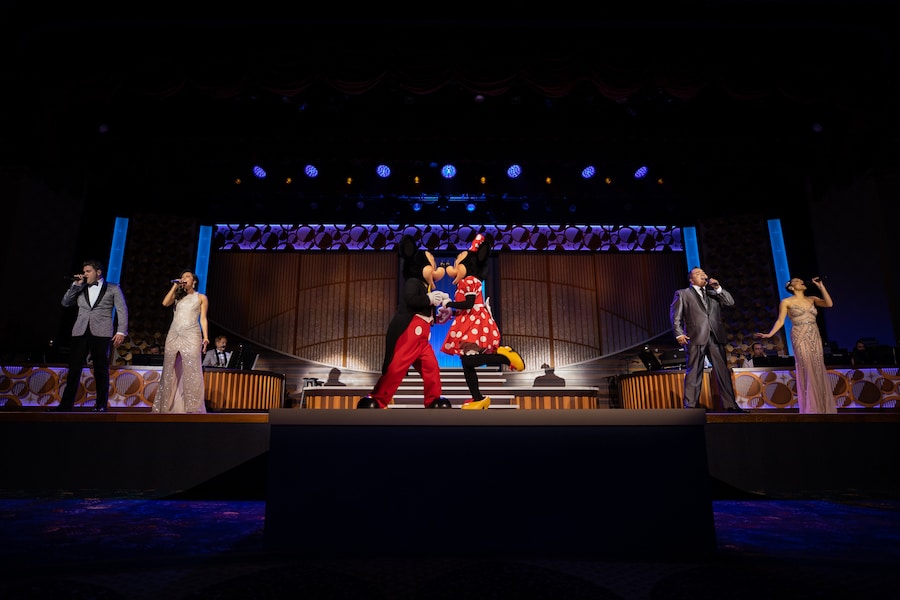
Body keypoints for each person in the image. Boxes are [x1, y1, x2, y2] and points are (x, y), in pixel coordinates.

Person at [356, 235, 452, 409]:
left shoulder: (426, 287)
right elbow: (410, 300)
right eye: (432, 266)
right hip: (409, 334)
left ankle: (433, 399)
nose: (436, 270)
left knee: (432, 368)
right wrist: (429, 298)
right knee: (396, 368)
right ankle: (378, 398)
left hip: (422, 340)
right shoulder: (413, 282)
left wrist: (440, 316)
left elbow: (426, 313)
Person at [440, 233, 525, 409]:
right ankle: (478, 398)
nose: (455, 267)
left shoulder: (470, 281)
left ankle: (504, 356)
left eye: (459, 264)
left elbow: (469, 303)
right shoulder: (464, 283)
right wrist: (451, 314)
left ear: (468, 265)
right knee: (466, 364)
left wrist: (450, 303)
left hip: (476, 324)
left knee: (468, 362)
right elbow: (467, 308)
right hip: (470, 321)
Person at [53, 259, 129, 412]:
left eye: (88, 271)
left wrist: (121, 331)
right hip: (80, 331)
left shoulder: (113, 288)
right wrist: (75, 285)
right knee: (74, 369)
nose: (85, 274)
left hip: (101, 332)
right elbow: (65, 303)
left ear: (98, 272)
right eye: (84, 271)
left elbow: (122, 310)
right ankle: (66, 405)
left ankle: (101, 405)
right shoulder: (80, 287)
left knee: (101, 369)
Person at [670, 266, 744, 413]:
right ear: (691, 280)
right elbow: (675, 316)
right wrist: (678, 333)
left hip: (715, 336)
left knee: (723, 371)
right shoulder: (683, 294)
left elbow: (730, 302)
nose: (703, 275)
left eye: (704, 272)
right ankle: (690, 406)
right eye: (698, 273)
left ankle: (730, 405)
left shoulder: (713, 293)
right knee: (694, 371)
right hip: (695, 337)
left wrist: (718, 288)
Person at [756, 277, 835, 414]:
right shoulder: (786, 302)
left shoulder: (812, 298)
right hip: (799, 335)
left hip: (814, 335)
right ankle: (811, 407)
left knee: (817, 366)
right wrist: (769, 335)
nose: (801, 281)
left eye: (801, 280)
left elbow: (829, 304)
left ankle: (823, 406)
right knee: (807, 366)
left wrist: (821, 286)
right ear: (791, 287)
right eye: (797, 281)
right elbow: (780, 321)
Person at [152, 271, 209, 414]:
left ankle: (192, 407)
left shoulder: (201, 297)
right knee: (169, 368)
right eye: (182, 276)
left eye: (187, 276)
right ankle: (165, 406)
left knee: (192, 369)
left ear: (194, 281)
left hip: (191, 335)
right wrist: (175, 287)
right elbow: (165, 303)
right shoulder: (178, 298)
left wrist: (206, 337)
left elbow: (203, 319)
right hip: (174, 334)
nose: (184, 278)